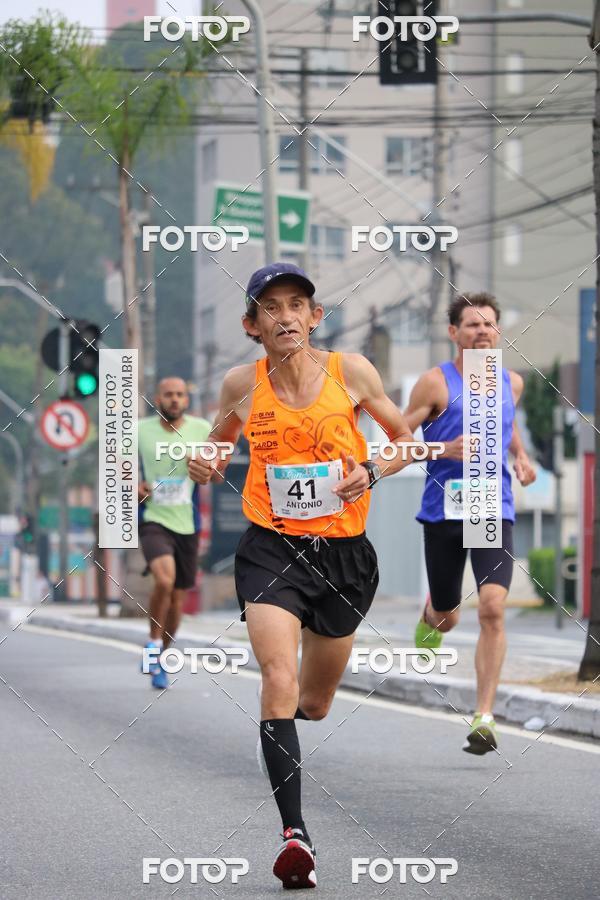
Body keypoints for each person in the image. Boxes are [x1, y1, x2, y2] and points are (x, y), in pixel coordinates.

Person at [188, 262, 417, 889]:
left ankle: (298, 722)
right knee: (277, 677)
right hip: (271, 548)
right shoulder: (242, 382)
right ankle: (295, 835)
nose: (285, 316)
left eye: (297, 305)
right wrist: (203, 461)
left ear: (315, 317)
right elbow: (217, 442)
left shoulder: (353, 373)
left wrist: (370, 470)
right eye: (270, 307)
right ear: (251, 325)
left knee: (312, 702)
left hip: (344, 555)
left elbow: (404, 439)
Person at [405, 292, 536, 755]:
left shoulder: (511, 383)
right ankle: (429, 615)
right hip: (444, 512)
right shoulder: (433, 384)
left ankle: (484, 715)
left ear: (499, 332)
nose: (482, 331)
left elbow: (509, 424)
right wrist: (442, 449)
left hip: (490, 508)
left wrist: (520, 457)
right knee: (447, 616)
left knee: (493, 608)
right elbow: (398, 442)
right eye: (472, 324)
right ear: (454, 333)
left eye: (489, 325)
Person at [137, 377, 210, 689]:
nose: (174, 400)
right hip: (153, 517)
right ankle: (153, 643)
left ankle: (162, 658)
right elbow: (114, 467)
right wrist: (131, 485)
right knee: (163, 580)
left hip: (187, 522)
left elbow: (216, 474)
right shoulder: (139, 430)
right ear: (158, 399)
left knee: (178, 599)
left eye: (180, 394)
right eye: (168, 395)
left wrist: (205, 469)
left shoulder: (202, 430)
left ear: (186, 400)